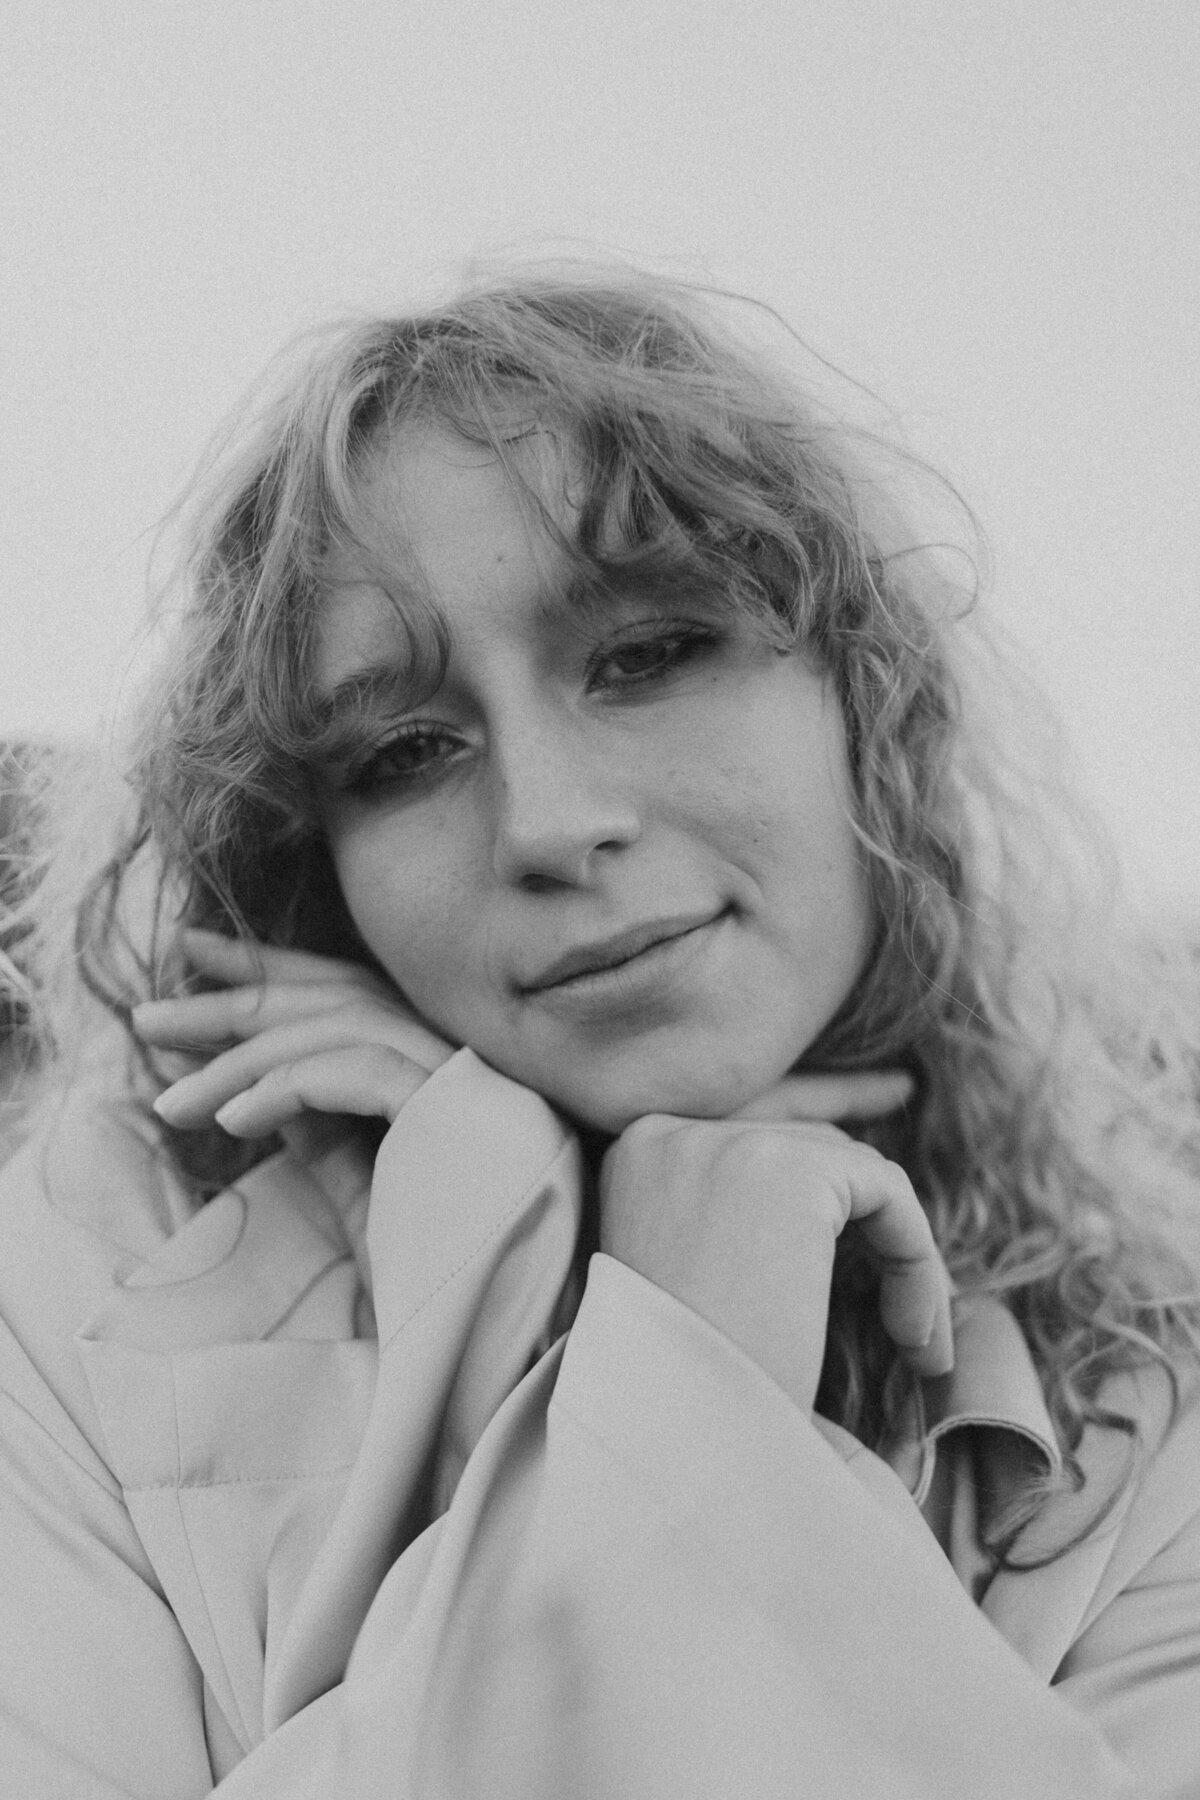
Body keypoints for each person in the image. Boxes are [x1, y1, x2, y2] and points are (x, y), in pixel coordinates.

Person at [1, 269, 1198, 1799]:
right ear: (315, 859)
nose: (554, 825)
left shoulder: (1145, 1395)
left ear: (865, 699)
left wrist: (680, 1400)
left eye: (647, 655)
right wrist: (543, 1252)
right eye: (407, 751)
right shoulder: (100, 1253)